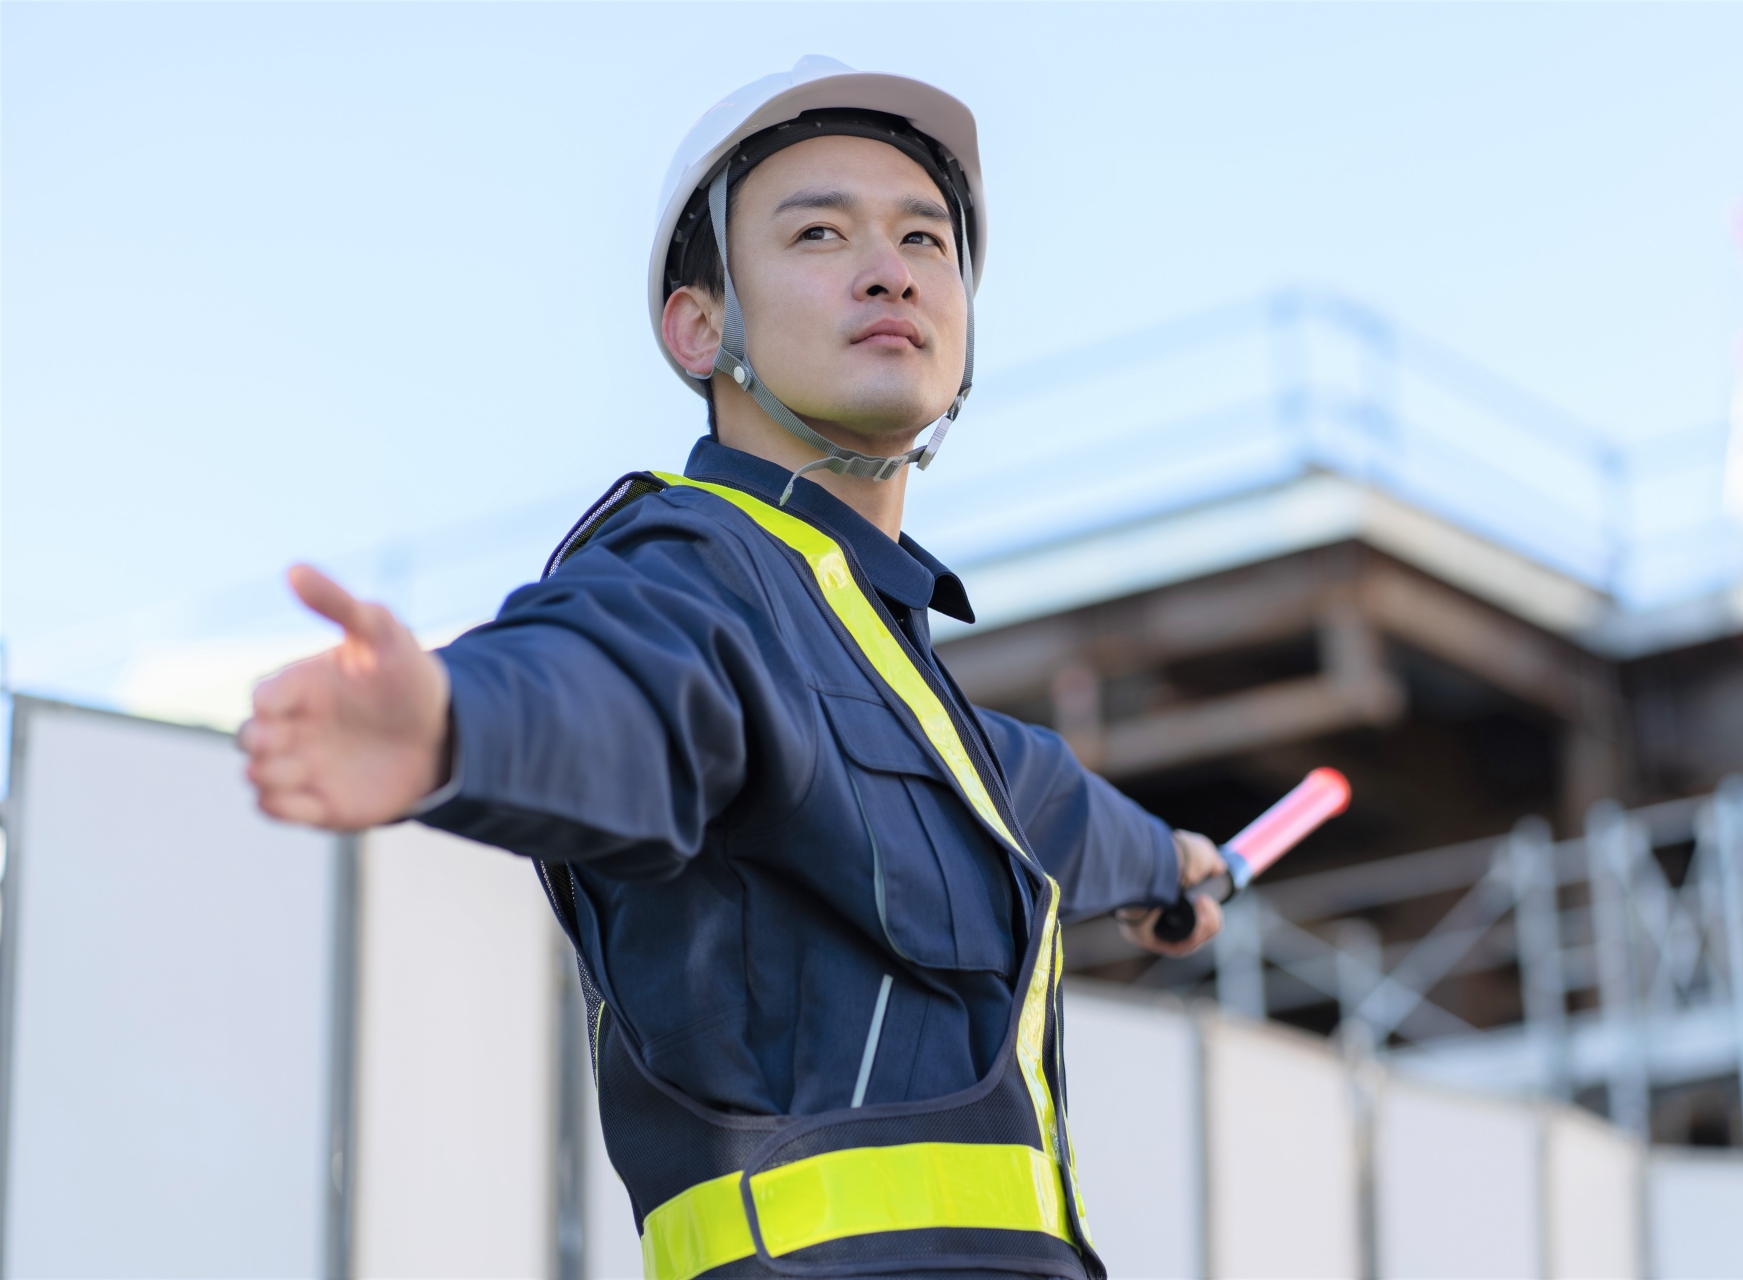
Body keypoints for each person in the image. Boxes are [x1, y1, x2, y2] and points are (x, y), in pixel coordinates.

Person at [242, 56, 1225, 1280]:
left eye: (927, 238)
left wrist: (1172, 865)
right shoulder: (696, 574)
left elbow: (1041, 803)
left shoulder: (887, 663)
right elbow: (610, 678)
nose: (891, 267)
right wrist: (453, 721)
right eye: (820, 232)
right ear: (701, 327)